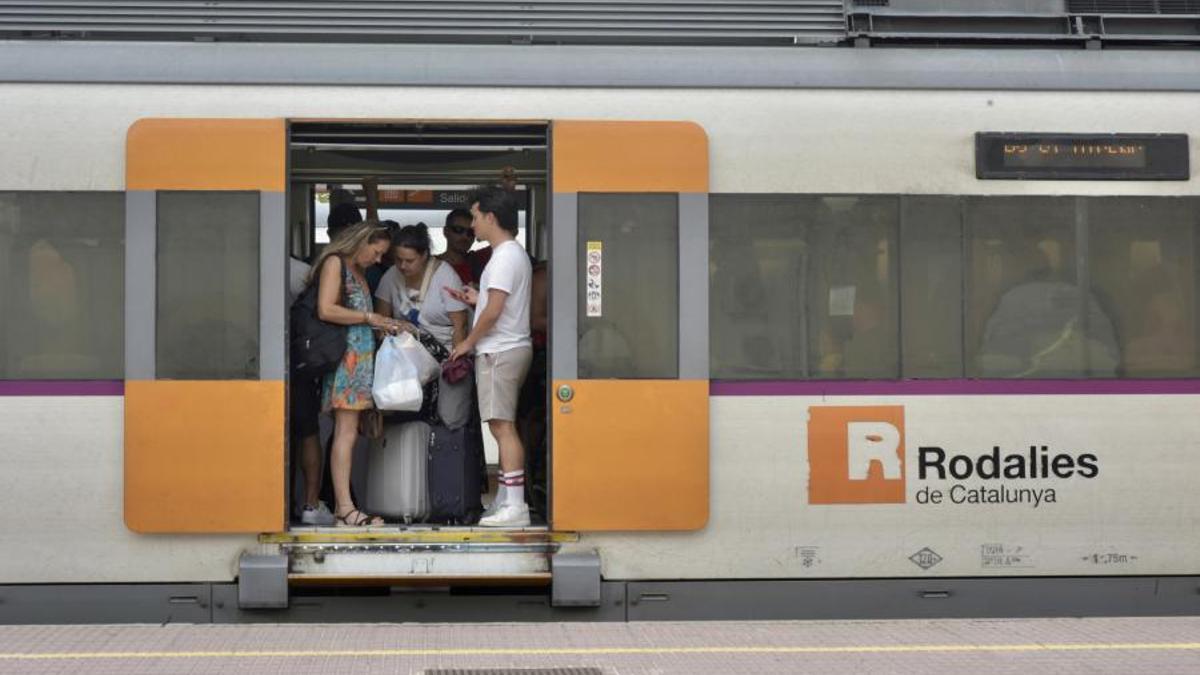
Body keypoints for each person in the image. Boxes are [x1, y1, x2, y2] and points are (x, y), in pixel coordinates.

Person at [448, 185, 533, 527]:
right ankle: (505, 500)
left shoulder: (502, 257)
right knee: (503, 425)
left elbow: (495, 310)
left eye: (476, 217)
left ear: (491, 217)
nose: (473, 225)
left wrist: (467, 342)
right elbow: (495, 304)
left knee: (502, 427)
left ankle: (516, 507)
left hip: (499, 350)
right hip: (510, 346)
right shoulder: (513, 254)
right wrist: (475, 298)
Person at [309, 222, 403, 527]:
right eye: (376, 252)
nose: (377, 260)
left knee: (349, 433)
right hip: (347, 361)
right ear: (361, 242)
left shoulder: (357, 271)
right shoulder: (336, 263)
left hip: (360, 361)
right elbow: (326, 309)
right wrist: (370, 317)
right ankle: (345, 508)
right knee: (346, 433)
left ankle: (345, 506)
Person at [376, 224, 473, 428]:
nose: (402, 266)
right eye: (398, 259)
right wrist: (396, 328)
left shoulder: (446, 276)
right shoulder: (391, 276)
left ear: (425, 256)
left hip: (445, 354)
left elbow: (460, 326)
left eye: (409, 261)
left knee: (449, 417)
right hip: (406, 359)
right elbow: (380, 321)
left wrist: (455, 365)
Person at [439, 208, 491, 285]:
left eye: (471, 232)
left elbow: (507, 235)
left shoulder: (479, 259)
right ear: (446, 231)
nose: (465, 236)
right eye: (458, 230)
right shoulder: (430, 264)